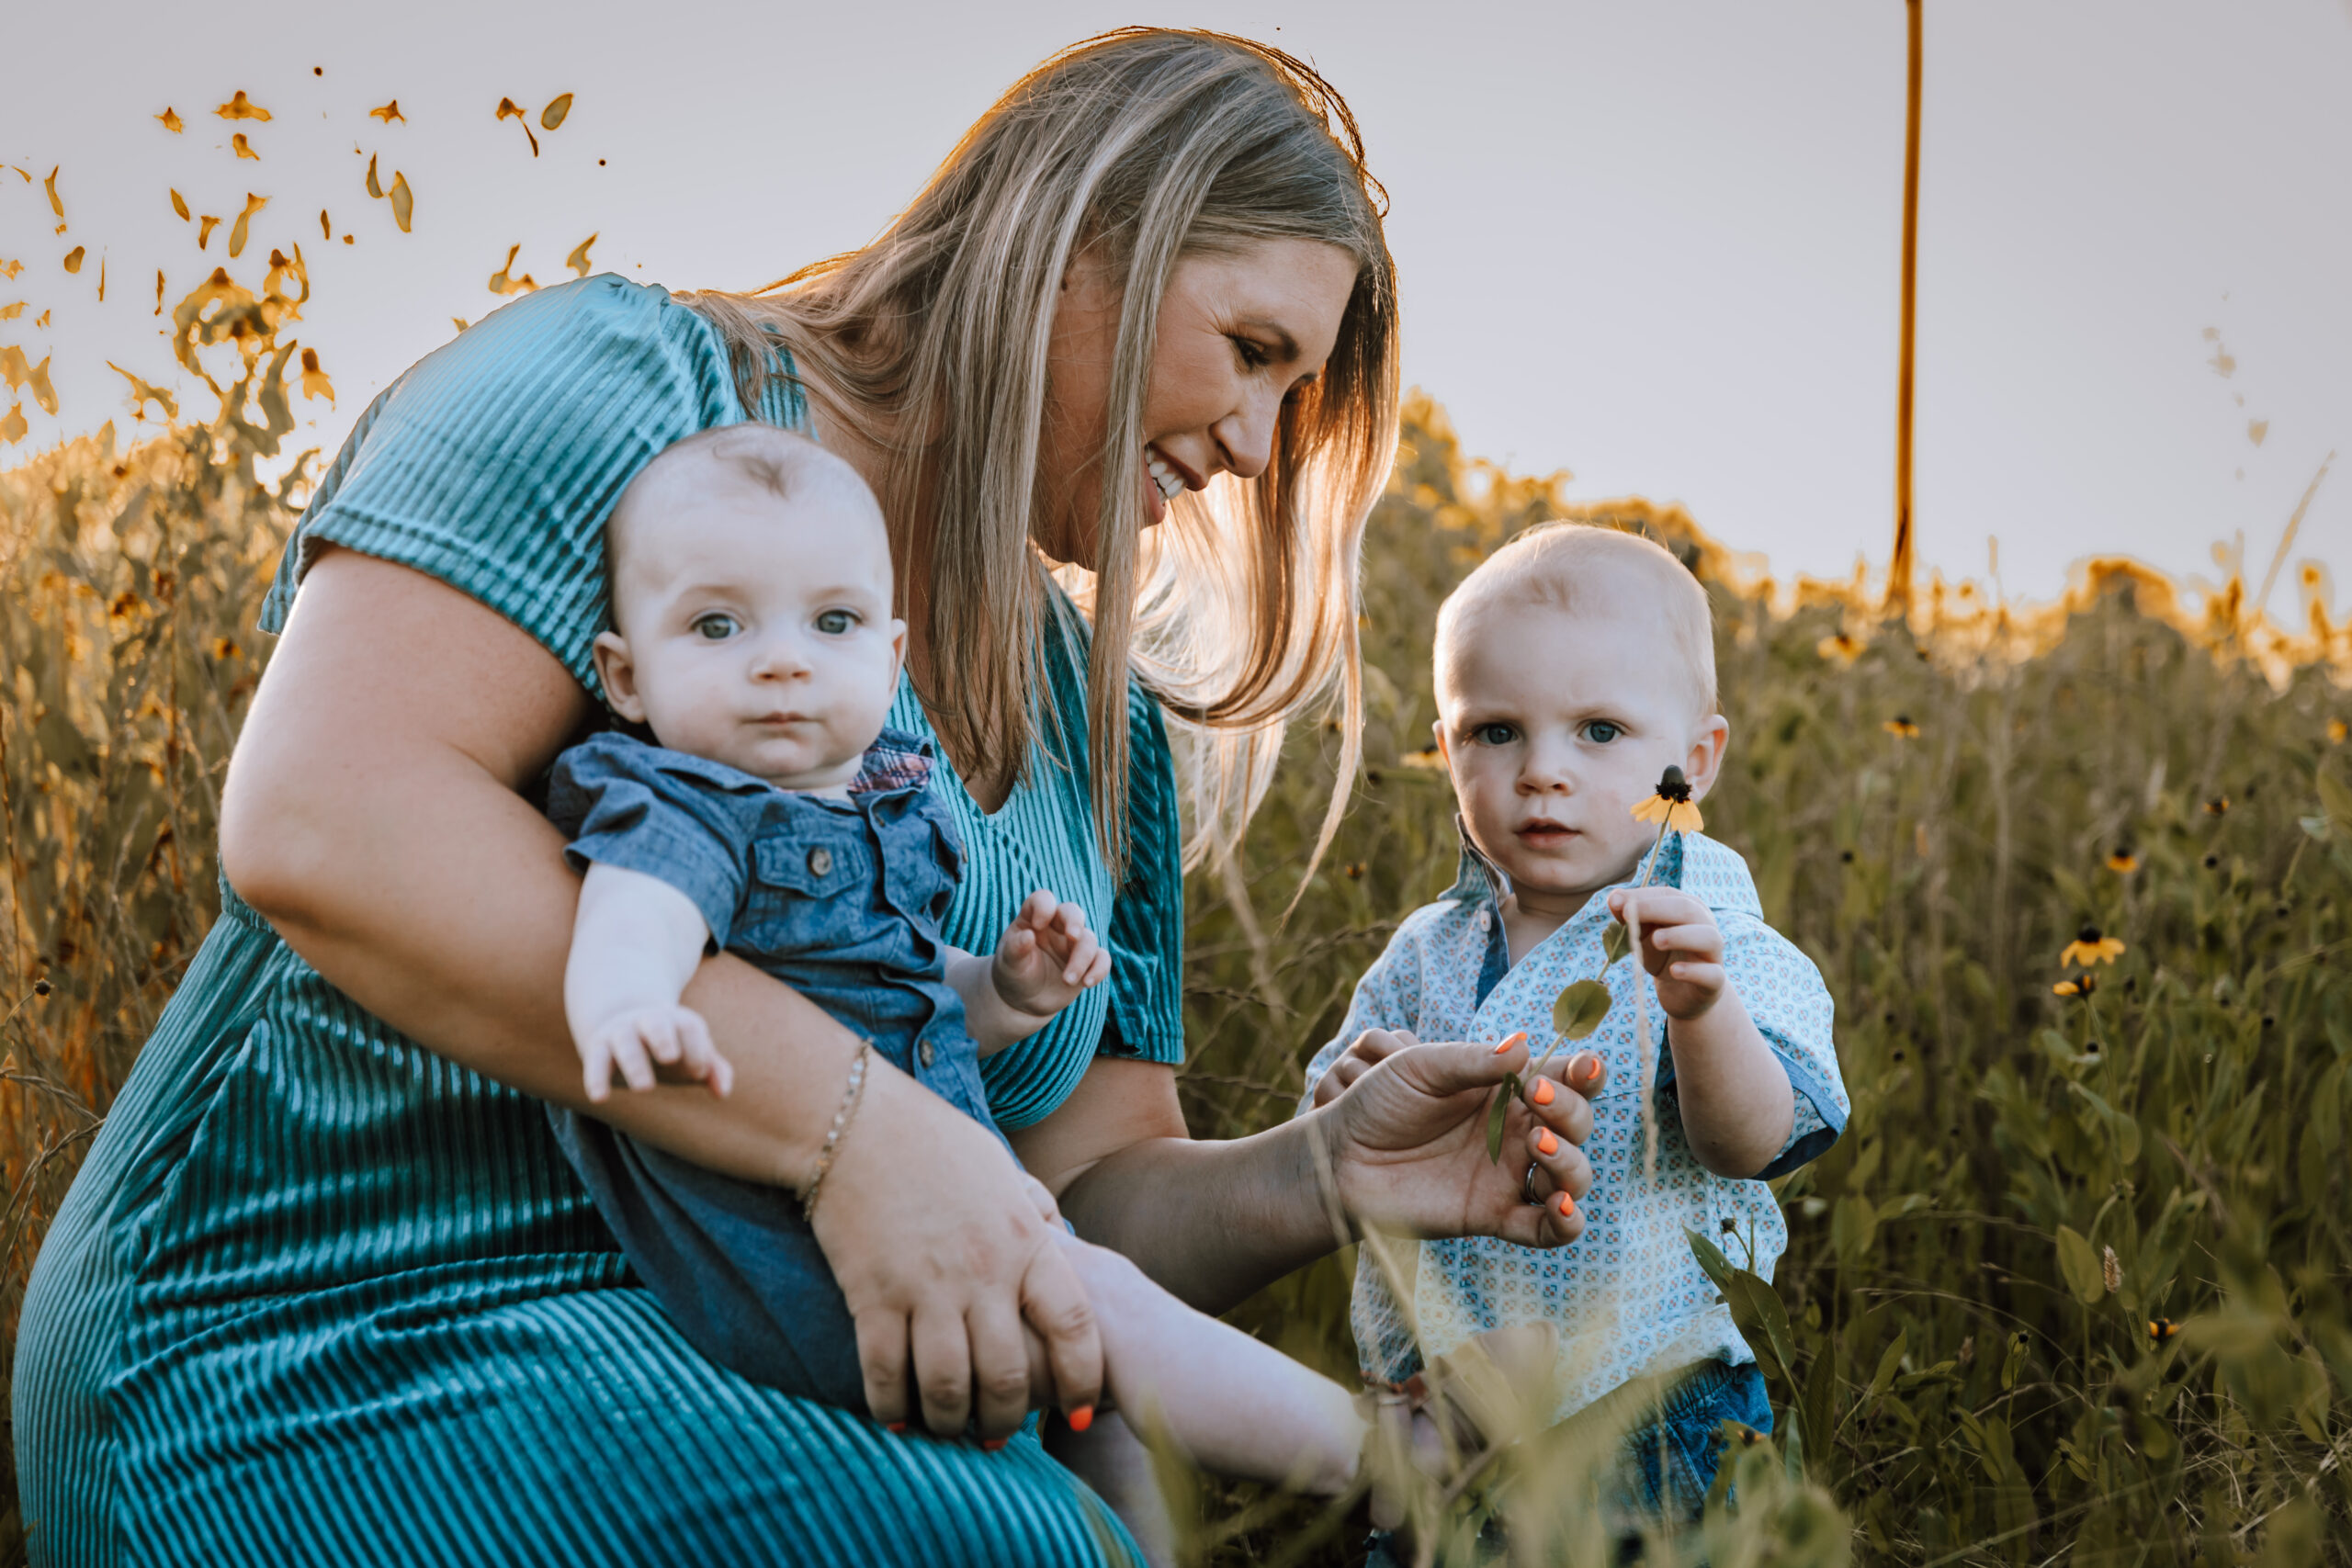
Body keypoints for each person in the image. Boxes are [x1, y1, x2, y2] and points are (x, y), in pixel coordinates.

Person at [15, 30, 1607, 1568]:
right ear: (1080, 229)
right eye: (1252, 352)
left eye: (1298, 402)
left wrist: (1325, 1170)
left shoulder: (1096, 713)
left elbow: (1057, 1205)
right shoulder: (628, 394)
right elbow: (330, 823)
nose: (1258, 448)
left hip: (739, 1354)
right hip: (323, 1327)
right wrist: (852, 1132)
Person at [549, 420, 1509, 1506]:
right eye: (716, 626)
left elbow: (914, 1001)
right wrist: (626, 1003)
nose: (782, 659)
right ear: (626, 677)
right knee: (1108, 1311)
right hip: (804, 1262)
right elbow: (636, 915)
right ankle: (1381, 1456)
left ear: (889, 656)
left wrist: (1002, 992)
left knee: (1103, 1425)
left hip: (949, 1225)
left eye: (833, 622)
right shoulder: (681, 806)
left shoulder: (888, 804)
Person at [1304, 523, 1850, 1524]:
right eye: (1495, 731)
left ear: (1694, 760)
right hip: (1440, 1413)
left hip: (1647, 1412)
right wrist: (1344, 1091)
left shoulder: (1712, 939)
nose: (1541, 771)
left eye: (1597, 732)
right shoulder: (1429, 947)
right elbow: (1331, 1130)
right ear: (1444, 747)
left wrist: (1702, 1013)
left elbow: (1753, 1141)